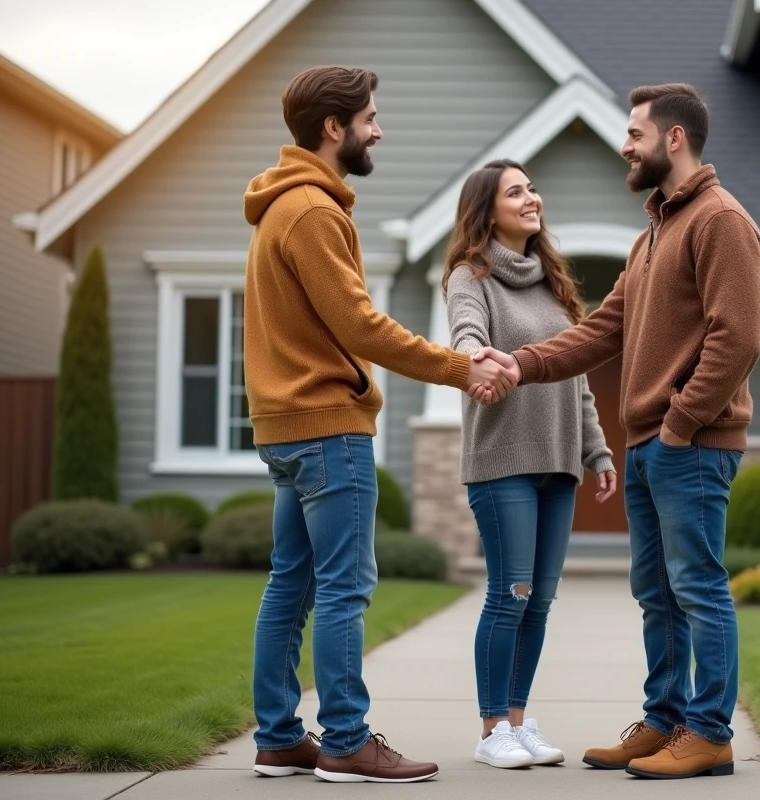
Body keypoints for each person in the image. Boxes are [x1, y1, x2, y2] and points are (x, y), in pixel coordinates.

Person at [473, 83, 760, 780]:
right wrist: (521, 362)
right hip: (650, 446)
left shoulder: (720, 221)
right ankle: (664, 721)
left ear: (672, 139)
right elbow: (603, 330)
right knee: (656, 595)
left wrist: (680, 425)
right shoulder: (654, 233)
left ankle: (710, 732)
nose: (623, 145)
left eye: (634, 133)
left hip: (688, 446)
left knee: (697, 588)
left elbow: (740, 338)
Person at [242, 66, 516, 784]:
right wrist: (462, 368)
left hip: (285, 428)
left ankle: (277, 737)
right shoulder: (311, 211)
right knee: (342, 589)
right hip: (328, 428)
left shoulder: (283, 206)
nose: (378, 129)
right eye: (369, 118)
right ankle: (346, 741)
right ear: (334, 128)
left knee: (291, 586)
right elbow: (361, 325)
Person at [443, 159, 618, 770]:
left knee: (539, 600)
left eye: (533, 188)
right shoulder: (471, 276)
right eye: (516, 191)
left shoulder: (553, 283)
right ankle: (492, 728)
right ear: (486, 210)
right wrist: (473, 363)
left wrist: (595, 448)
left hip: (559, 462)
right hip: (502, 462)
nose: (531, 198)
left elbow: (579, 379)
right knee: (509, 594)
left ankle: (518, 721)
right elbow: (465, 334)